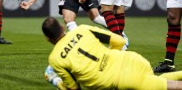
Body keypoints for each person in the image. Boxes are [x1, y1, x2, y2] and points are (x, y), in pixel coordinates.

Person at [42, 17, 182, 90]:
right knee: (156, 80)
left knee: (174, 87)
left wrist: (56, 81)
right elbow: (119, 40)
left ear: (48, 39)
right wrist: (109, 57)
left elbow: (73, 88)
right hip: (132, 59)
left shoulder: (55, 59)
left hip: (124, 80)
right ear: (62, 27)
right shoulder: (82, 29)